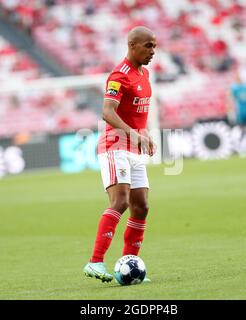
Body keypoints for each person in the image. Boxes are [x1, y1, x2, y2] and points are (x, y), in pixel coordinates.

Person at [83, 26, 157, 283]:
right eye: (148, 46)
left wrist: (143, 134)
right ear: (132, 45)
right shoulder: (119, 75)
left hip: (134, 148)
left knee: (141, 207)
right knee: (121, 202)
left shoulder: (144, 74)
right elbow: (107, 112)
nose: (152, 51)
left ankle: (130, 262)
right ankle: (94, 262)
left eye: (154, 46)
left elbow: (136, 116)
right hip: (114, 147)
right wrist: (131, 133)